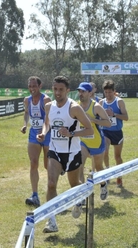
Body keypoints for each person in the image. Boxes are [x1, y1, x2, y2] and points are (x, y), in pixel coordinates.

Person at [36, 76, 93, 233]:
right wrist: (43, 133)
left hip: (72, 153)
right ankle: (51, 221)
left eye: (61, 89)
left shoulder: (74, 108)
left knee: (74, 185)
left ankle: (79, 199)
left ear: (68, 90)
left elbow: (90, 130)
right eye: (55, 89)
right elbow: (47, 123)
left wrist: (71, 133)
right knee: (51, 184)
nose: (57, 92)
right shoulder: (48, 106)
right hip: (54, 151)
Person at [76, 82, 111, 200]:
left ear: (90, 93)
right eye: (79, 91)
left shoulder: (96, 107)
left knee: (98, 167)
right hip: (83, 141)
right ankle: (82, 195)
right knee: (80, 165)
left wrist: (93, 120)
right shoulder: (76, 106)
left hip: (96, 142)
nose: (80, 94)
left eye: (83, 91)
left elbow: (108, 123)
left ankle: (103, 184)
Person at [20, 76, 51, 207]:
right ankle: (35, 195)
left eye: (34, 86)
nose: (32, 88)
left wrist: (43, 133)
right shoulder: (27, 100)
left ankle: (51, 192)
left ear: (40, 86)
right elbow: (27, 113)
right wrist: (25, 125)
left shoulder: (46, 100)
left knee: (47, 166)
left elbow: (49, 120)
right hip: (33, 134)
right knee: (33, 163)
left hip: (47, 134)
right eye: (30, 86)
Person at [99, 79, 129, 188]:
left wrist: (114, 114)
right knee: (105, 152)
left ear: (114, 91)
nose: (108, 95)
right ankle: (107, 173)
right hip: (105, 131)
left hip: (117, 132)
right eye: (106, 92)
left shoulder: (119, 102)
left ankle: (119, 177)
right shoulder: (102, 102)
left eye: (110, 92)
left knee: (117, 156)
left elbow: (126, 117)